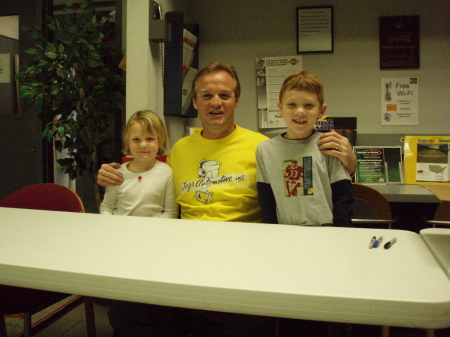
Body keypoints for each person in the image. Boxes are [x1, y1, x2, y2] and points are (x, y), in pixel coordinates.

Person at [97, 63, 358, 336]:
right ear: (195, 101)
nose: (216, 103)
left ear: (236, 100)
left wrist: (349, 165)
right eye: (207, 95)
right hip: (184, 257)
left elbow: (311, 186)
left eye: (224, 95)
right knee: (128, 312)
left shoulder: (264, 148)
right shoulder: (179, 150)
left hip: (242, 261)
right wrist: (111, 176)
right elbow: (144, 175)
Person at [256, 71, 353, 226]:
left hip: (325, 233)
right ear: (280, 108)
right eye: (292, 104)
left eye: (309, 105)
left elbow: (343, 197)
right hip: (285, 233)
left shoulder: (328, 144)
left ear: (321, 111)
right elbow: (266, 200)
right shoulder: (265, 150)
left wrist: (341, 235)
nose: (300, 111)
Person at [100, 110, 178, 218]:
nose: (143, 145)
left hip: (153, 232)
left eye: (150, 139)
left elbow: (170, 212)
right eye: (136, 139)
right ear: (127, 142)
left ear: (160, 141)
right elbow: (107, 207)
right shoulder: (117, 174)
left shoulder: (167, 173)